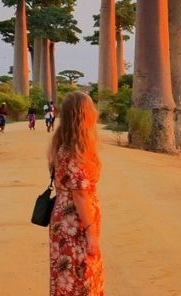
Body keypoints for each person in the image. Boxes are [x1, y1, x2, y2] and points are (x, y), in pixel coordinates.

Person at [47, 92, 103, 295]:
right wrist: (91, 232)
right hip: (75, 223)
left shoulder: (63, 145)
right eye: (91, 108)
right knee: (81, 275)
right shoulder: (75, 151)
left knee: (68, 276)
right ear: (83, 114)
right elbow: (80, 194)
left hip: (64, 219)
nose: (95, 112)